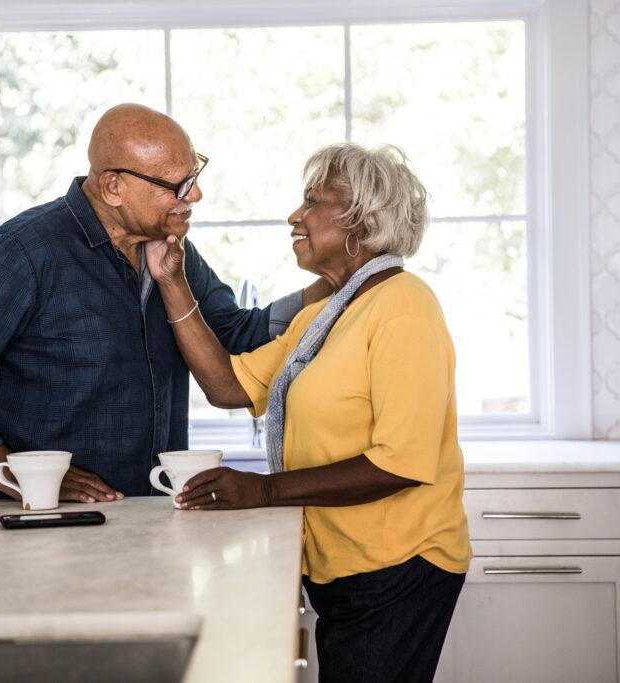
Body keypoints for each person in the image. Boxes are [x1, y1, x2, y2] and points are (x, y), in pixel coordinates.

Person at [0, 103, 330, 502]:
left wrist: (340, 283)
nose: (194, 195)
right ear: (114, 187)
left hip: (141, 522)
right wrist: (17, 473)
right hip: (29, 530)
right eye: (178, 184)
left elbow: (233, 335)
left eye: (195, 177)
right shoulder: (21, 253)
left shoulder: (171, 248)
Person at [145, 142, 472, 681]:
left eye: (312, 201)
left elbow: (399, 462)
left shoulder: (404, 305)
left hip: (398, 569)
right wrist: (172, 282)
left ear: (361, 222)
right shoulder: (324, 316)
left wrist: (263, 490)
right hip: (347, 569)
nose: (295, 216)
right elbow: (227, 386)